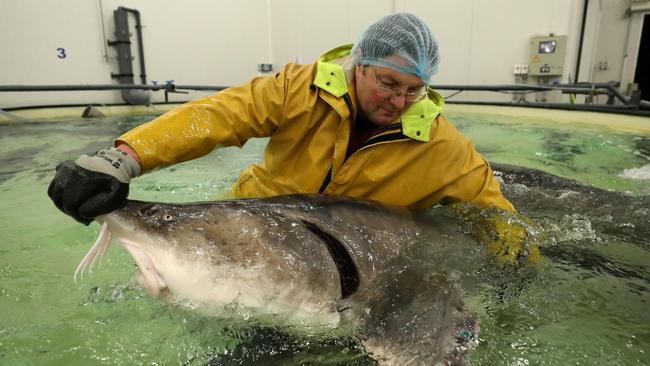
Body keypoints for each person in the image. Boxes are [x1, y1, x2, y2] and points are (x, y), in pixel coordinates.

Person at [48, 13, 536, 262]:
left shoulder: (445, 150)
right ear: (358, 64)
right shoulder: (299, 89)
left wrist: (521, 267)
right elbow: (220, 115)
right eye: (388, 83)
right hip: (252, 227)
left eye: (414, 90)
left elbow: (495, 213)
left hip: (350, 258)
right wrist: (125, 157)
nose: (399, 101)